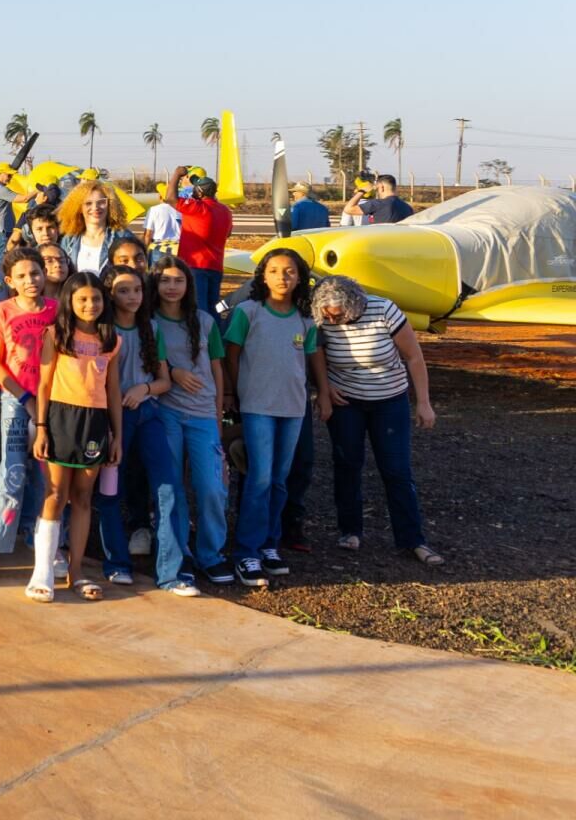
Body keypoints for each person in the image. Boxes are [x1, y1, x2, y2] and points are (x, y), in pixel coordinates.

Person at [311, 275, 443, 566]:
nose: (335, 320)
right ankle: (350, 530)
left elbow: (414, 357)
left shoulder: (383, 310)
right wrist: (324, 388)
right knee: (347, 464)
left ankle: (413, 539)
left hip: (389, 400)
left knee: (396, 470)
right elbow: (316, 353)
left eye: (340, 314)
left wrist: (423, 402)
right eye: (328, 316)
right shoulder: (321, 317)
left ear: (355, 305)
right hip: (346, 401)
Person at [223, 248, 323, 588]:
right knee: (259, 478)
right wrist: (232, 395)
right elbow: (231, 357)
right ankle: (245, 552)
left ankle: (269, 544)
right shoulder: (248, 312)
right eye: (276, 270)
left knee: (280, 479)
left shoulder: (305, 318)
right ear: (263, 276)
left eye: (290, 271)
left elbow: (311, 359)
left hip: (293, 408)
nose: (283, 277)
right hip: (256, 407)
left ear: (300, 278)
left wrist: (323, 393)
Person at [28, 272, 122, 602]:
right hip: (60, 418)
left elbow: (112, 390)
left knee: (83, 498)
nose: (90, 304)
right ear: (69, 300)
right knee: (55, 494)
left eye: (96, 298)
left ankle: (76, 571)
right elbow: (42, 385)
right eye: (82, 298)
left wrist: (117, 436)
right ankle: (42, 572)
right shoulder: (56, 335)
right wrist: (41, 428)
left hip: (95, 424)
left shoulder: (112, 341)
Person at [0, 248, 57, 586]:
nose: (30, 280)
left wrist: (44, 405)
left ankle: (46, 545)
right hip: (16, 402)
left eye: (35, 273)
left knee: (45, 473)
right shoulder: (2, 312)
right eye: (21, 276)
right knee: (13, 471)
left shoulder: (56, 310)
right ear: (9, 281)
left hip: (51, 402)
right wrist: (25, 398)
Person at [146, 256, 231, 590]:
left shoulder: (205, 321)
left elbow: (217, 369)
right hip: (166, 410)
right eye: (165, 280)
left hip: (202, 414)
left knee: (211, 486)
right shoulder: (149, 321)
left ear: (188, 285)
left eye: (178, 281)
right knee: (173, 489)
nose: (171, 287)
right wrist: (175, 372)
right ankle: (178, 554)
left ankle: (211, 553)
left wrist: (218, 412)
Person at [93, 264, 168, 586]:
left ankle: (174, 566)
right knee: (110, 491)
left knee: (168, 487)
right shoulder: (101, 332)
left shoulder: (152, 328)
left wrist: (145, 389)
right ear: (110, 293)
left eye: (137, 289)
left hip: (148, 415)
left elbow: (164, 381)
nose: (132, 296)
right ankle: (116, 562)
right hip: (110, 421)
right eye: (124, 290)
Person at [167, 167, 234, 317]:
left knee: (199, 309)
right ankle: (215, 338)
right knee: (213, 308)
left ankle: (201, 339)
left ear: (200, 193)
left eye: (195, 189)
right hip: (216, 266)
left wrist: (177, 174)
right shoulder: (226, 211)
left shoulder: (197, 208)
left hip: (195, 265)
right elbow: (228, 233)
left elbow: (170, 198)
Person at [56, 181, 126, 274]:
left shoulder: (122, 237)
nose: (95, 207)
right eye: (88, 203)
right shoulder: (69, 240)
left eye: (101, 202)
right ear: (79, 208)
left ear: (110, 205)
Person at [143, 184, 183, 255]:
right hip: (177, 247)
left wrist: (145, 251)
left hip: (158, 246)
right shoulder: (181, 209)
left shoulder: (154, 210)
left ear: (160, 197)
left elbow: (148, 234)